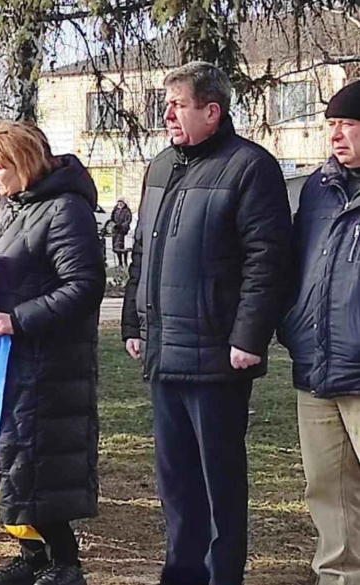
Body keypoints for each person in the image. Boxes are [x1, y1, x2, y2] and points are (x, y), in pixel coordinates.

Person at [121, 62, 292, 585]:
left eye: (178, 105)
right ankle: (183, 572)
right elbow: (142, 253)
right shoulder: (160, 166)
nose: (167, 114)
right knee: (175, 483)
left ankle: (222, 576)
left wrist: (248, 336)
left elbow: (268, 259)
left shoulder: (249, 168)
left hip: (218, 356)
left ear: (211, 111)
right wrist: (133, 320)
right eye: (166, 104)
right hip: (164, 354)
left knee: (219, 482)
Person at [0, 122, 103, 585]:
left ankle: (64, 562)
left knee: (40, 461)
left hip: (48, 361)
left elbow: (82, 285)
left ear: (27, 164)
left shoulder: (65, 211)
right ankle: (32, 555)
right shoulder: (13, 210)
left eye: (2, 166)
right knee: (14, 460)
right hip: (8, 358)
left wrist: (20, 318)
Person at [278, 80, 360, 585]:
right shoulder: (317, 190)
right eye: (331, 124)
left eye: (348, 124)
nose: (336, 134)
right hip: (316, 368)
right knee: (328, 493)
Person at [110, 198, 133, 267]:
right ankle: (120, 262)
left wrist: (122, 226)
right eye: (118, 202)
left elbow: (128, 220)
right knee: (117, 247)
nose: (120, 203)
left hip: (123, 231)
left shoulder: (127, 211)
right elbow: (111, 219)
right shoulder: (115, 210)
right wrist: (114, 225)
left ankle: (125, 261)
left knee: (124, 248)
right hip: (116, 231)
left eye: (121, 202)